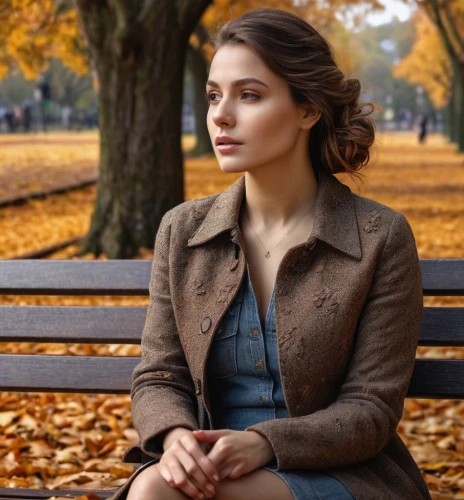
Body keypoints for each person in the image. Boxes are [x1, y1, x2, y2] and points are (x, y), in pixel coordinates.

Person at [111, 8, 431, 500]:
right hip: (208, 466)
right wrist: (174, 439)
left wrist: (263, 444)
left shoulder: (380, 237)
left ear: (308, 110)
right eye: (215, 95)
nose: (220, 114)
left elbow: (371, 409)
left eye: (249, 95)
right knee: (157, 487)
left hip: (343, 473)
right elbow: (159, 376)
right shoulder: (183, 230)